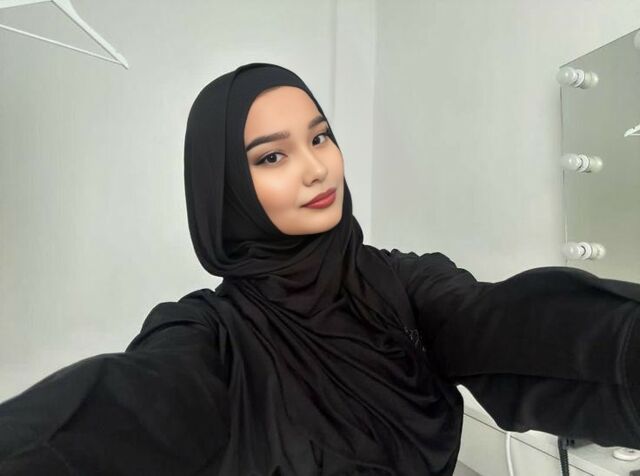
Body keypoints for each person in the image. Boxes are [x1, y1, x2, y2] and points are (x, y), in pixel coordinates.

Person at [0, 62, 639, 476]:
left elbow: (504, 325)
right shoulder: (210, 338)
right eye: (271, 157)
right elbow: (123, 411)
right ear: (225, 190)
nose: (315, 168)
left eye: (320, 136)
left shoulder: (401, 284)